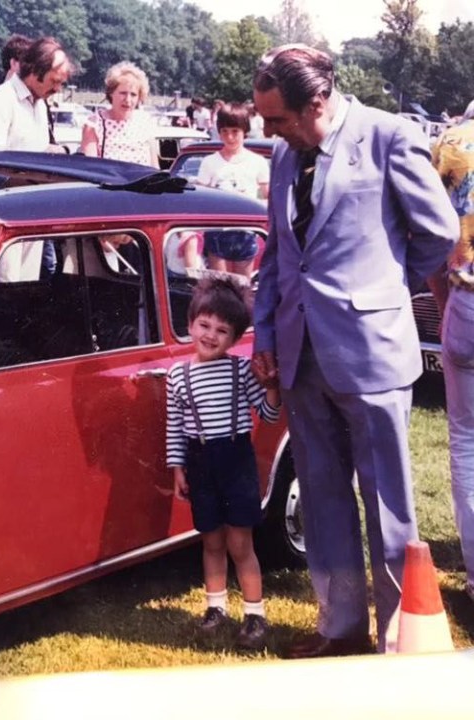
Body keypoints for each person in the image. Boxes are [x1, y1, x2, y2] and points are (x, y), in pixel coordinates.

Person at [250, 44, 458, 658]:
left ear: (317, 102)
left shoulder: (389, 136)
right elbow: (278, 254)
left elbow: (440, 233)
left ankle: (398, 635)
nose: (269, 132)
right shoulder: (288, 154)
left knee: (388, 502)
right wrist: (265, 333)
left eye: (277, 119)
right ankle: (339, 631)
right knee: (322, 499)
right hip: (301, 355)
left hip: (372, 353)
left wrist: (384, 288)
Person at [166, 276, 281, 651]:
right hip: (200, 463)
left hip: (235, 460)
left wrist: (271, 385)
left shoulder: (239, 370)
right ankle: (216, 608)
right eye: (204, 325)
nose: (211, 335)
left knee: (239, 543)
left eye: (222, 330)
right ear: (190, 324)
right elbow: (175, 427)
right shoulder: (177, 376)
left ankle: (254, 614)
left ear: (234, 339)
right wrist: (179, 468)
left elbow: (266, 411)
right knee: (211, 540)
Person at [429, 97, 474, 604]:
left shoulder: (452, 144)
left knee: (466, 442)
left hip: (466, 301)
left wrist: (445, 302)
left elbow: (433, 236)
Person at [196, 102, 270, 276]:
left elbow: (268, 197)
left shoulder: (257, 162)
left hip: (246, 233)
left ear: (245, 131)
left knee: (242, 288)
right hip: (217, 233)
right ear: (219, 132)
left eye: (235, 131)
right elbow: (201, 200)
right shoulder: (209, 162)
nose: (230, 137)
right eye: (224, 132)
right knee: (220, 287)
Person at [0, 36, 71, 154]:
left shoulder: (40, 105)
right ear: (34, 71)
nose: (57, 89)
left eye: (61, 83)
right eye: (54, 81)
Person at [79, 61, 158, 166]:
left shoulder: (145, 123)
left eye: (133, 95)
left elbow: (154, 168)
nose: (128, 100)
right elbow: (89, 168)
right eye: (123, 93)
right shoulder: (94, 124)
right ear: (111, 93)